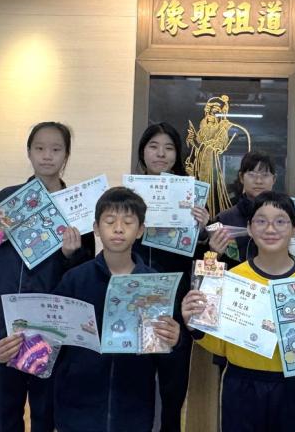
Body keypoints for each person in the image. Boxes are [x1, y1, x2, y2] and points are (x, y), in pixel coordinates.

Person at [182, 191, 295, 432]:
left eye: (280, 221)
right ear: (249, 228)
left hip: (294, 388)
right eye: (261, 221)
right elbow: (220, 345)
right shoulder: (232, 279)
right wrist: (194, 326)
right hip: (241, 384)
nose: (270, 229)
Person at [0, 121, 94, 432]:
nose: (47, 155)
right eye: (39, 148)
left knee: (45, 416)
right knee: (5, 415)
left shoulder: (77, 208)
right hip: (5, 325)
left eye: (56, 149)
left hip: (51, 324)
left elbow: (86, 268)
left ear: (66, 155)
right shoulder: (8, 199)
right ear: (29, 152)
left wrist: (71, 254)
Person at [51, 187, 182, 431]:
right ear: (96, 228)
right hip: (77, 407)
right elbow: (54, 340)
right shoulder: (75, 280)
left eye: (128, 222)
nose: (119, 228)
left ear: (140, 230)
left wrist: (174, 341)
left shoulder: (154, 284)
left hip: (134, 407)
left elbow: (164, 355)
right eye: (110, 221)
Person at [132, 122, 210, 431]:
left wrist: (202, 231)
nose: (161, 154)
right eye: (153, 146)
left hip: (177, 305)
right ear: (142, 152)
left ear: (177, 154)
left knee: (172, 392)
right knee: (134, 387)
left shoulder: (191, 198)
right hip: (135, 300)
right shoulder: (128, 196)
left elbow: (202, 260)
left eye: (168, 148)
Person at [212, 150, 295, 274]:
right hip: (239, 285)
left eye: (265, 175)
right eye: (252, 174)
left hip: (284, 286)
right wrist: (214, 256)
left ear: (274, 179)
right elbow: (210, 271)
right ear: (241, 177)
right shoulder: (224, 220)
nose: (258, 181)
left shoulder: (292, 216)